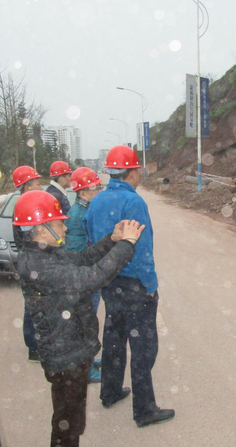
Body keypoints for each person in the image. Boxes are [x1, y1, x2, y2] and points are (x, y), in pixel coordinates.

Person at [15, 189, 144, 447]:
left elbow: (82, 260)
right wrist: (127, 245)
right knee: (67, 420)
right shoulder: (39, 265)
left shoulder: (45, 254)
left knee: (70, 416)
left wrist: (111, 240)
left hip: (70, 349)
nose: (64, 228)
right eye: (59, 223)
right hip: (65, 355)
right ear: (41, 229)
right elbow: (91, 277)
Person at [84, 145, 175, 428]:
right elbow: (142, 249)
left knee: (114, 338)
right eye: (138, 169)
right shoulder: (134, 202)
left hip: (110, 282)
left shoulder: (97, 200)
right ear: (132, 172)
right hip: (135, 285)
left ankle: (110, 392)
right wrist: (150, 284)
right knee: (143, 347)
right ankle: (144, 409)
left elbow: (91, 238)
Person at [65, 167, 104, 383]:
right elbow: (78, 255)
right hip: (84, 281)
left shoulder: (85, 210)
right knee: (85, 325)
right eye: (95, 188)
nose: (98, 191)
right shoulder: (76, 216)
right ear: (82, 192)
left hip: (89, 277)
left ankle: (89, 361)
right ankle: (86, 369)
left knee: (89, 322)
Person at [12, 165, 43, 362]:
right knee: (32, 306)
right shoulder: (24, 206)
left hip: (30, 259)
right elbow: (29, 238)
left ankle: (36, 343)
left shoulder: (26, 203)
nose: (40, 186)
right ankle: (33, 347)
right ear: (26, 186)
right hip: (30, 261)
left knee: (35, 304)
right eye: (37, 183)